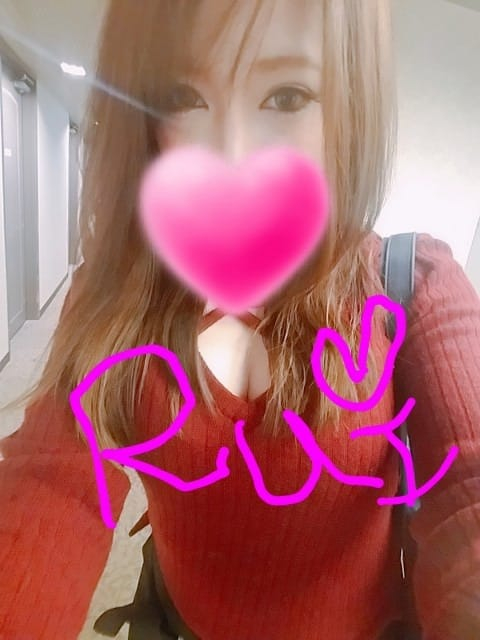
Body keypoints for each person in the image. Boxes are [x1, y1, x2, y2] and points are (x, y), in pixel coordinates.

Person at [1, 1, 479, 638]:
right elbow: (54, 482)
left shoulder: (414, 284)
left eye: (287, 96)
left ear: (348, 108)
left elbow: (469, 485)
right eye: (183, 96)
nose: (229, 155)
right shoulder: (116, 292)